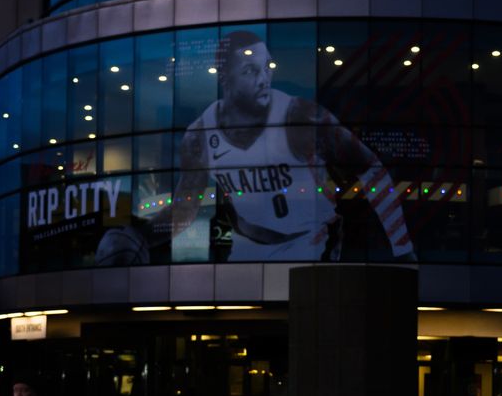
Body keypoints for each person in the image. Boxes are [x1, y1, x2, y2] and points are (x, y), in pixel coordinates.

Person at [168, 30, 415, 261]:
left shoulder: (299, 115)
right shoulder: (199, 135)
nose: (264, 79)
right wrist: (141, 237)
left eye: (267, 68)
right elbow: (184, 208)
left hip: (309, 244)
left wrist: (402, 246)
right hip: (245, 247)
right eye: (250, 71)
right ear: (225, 78)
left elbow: (371, 167)